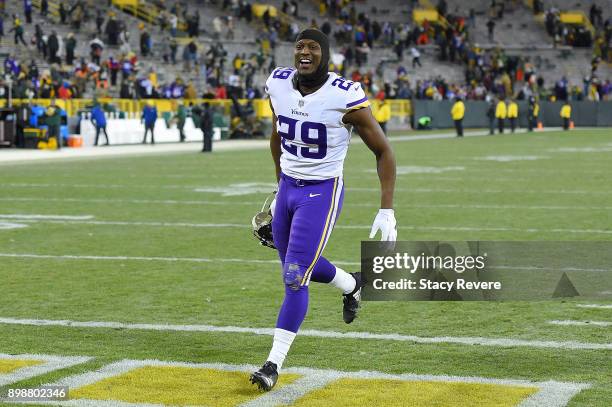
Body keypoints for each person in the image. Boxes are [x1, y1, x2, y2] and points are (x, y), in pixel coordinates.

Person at [249, 28, 397, 392]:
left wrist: (387, 209)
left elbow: (383, 150)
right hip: (288, 190)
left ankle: (273, 363)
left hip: (322, 191)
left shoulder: (344, 95)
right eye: (300, 46)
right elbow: (278, 133)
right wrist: (279, 180)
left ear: (325, 55)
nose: (305, 52)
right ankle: (352, 284)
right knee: (296, 265)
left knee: (295, 275)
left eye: (313, 47)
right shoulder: (279, 83)